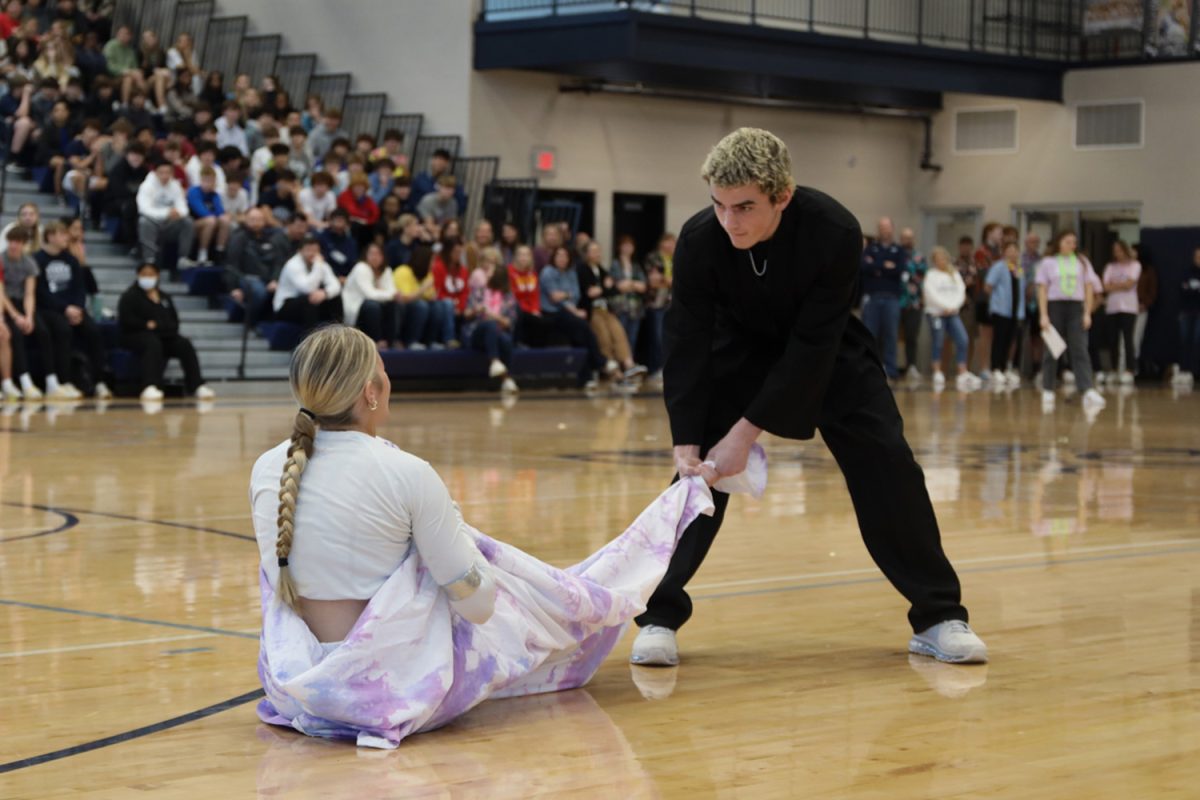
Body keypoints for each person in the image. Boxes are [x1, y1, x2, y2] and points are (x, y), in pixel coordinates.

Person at [252, 325, 724, 748]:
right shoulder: (406, 472)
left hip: (296, 685)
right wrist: (463, 539)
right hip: (389, 690)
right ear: (371, 393)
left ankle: (578, 593)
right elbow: (478, 607)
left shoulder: (267, 469)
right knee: (479, 573)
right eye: (385, 370)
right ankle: (591, 599)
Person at [629, 127, 986, 668]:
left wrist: (744, 435)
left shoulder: (835, 229)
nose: (731, 222)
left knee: (888, 463)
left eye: (745, 207)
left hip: (827, 351)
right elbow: (685, 341)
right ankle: (658, 617)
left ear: (783, 196)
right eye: (720, 206)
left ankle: (938, 615)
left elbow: (811, 346)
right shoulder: (701, 239)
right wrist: (688, 439)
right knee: (696, 478)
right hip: (737, 350)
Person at [35, 220, 110, 398]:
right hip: (50, 309)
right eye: (62, 234)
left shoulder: (71, 259)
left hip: (74, 308)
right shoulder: (38, 259)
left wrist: (77, 307)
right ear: (50, 236)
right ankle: (65, 381)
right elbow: (41, 292)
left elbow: (80, 287)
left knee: (93, 331)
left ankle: (99, 381)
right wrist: (65, 308)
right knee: (63, 330)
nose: (66, 237)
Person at [117, 262, 213, 401]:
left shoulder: (164, 297)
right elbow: (126, 321)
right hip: (135, 336)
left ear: (157, 276)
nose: (147, 278)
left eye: (151, 274)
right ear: (138, 275)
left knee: (184, 344)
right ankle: (150, 385)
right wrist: (146, 325)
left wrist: (157, 325)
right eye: (144, 274)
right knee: (152, 343)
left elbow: (173, 322)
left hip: (164, 335)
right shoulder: (130, 296)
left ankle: (196, 385)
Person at [1035, 231, 1105, 412]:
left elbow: (1089, 288)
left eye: (1074, 242)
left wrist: (1087, 312)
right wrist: (1043, 315)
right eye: (1068, 241)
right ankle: (1048, 388)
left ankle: (1087, 388)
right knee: (1052, 348)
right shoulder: (1048, 263)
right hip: (1055, 306)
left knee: (1079, 347)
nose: (1072, 245)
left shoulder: (1082, 262)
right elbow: (1042, 289)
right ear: (1059, 243)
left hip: (1076, 307)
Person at [539, 244, 608, 389]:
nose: (562, 259)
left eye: (565, 256)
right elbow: (555, 298)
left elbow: (576, 295)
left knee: (580, 335)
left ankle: (586, 378)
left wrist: (567, 298)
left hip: (568, 312)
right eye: (559, 255)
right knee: (582, 326)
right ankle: (600, 362)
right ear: (554, 257)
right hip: (551, 313)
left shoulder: (571, 273)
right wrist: (572, 304)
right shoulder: (548, 272)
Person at [579, 240, 645, 382]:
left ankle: (629, 365)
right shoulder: (582, 269)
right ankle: (612, 370)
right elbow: (590, 293)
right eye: (593, 251)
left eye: (598, 251)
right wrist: (605, 288)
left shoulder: (601, 269)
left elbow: (611, 290)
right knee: (603, 336)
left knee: (618, 331)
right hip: (592, 310)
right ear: (586, 254)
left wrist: (604, 289)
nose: (597, 254)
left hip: (606, 309)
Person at [924, 246, 979, 392]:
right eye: (938, 259)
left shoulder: (953, 274)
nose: (942, 261)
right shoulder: (931, 275)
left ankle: (962, 371)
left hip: (953, 312)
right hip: (937, 313)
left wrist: (953, 306)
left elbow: (961, 292)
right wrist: (944, 307)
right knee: (939, 341)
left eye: (943, 258)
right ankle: (937, 371)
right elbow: (930, 294)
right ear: (934, 261)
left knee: (963, 339)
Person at [464, 246, 518, 392]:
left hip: (498, 333)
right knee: (489, 325)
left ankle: (507, 379)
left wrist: (493, 315)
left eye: (490, 271)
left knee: (505, 339)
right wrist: (477, 310)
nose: (486, 274)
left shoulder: (508, 297)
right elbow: (466, 313)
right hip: (477, 332)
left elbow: (509, 322)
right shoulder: (479, 291)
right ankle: (494, 361)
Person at [1, 228, 47, 400]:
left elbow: (29, 293)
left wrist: (28, 316)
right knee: (12, 334)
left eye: (18, 242)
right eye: (11, 241)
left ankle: (51, 380)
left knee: (42, 330)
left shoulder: (29, 263)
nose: (14, 245)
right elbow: (1, 293)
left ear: (24, 244)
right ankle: (21, 380)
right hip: (6, 304)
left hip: (20, 303)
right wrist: (13, 316)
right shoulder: (1, 260)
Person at [859, 217, 906, 380]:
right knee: (870, 334)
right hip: (872, 297)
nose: (884, 230)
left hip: (892, 298)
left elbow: (899, 269)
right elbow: (864, 266)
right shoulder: (871, 249)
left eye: (887, 227)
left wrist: (877, 266)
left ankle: (891, 369)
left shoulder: (899, 250)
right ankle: (869, 369)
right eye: (881, 227)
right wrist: (885, 265)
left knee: (891, 334)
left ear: (892, 228)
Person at [226, 208, 288, 327]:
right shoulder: (239, 238)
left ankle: (270, 325)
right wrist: (233, 288)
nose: (256, 223)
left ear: (264, 221)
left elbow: (278, 262)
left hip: (268, 279)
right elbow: (232, 264)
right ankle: (251, 322)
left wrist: (275, 279)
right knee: (259, 291)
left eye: (259, 219)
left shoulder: (271, 238)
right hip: (246, 277)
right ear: (246, 220)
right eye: (252, 219)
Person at [272, 234, 342, 331]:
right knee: (309, 299)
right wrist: (318, 265)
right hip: (285, 306)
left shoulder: (321, 264)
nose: (312, 254)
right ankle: (311, 340)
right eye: (309, 250)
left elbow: (336, 285)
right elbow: (307, 289)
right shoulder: (292, 265)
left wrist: (325, 293)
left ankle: (339, 333)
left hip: (309, 303)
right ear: (300, 251)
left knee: (335, 297)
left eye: (315, 250)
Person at [136, 159, 197, 269]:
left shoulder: (175, 186)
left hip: (170, 224)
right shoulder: (146, 186)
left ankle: (183, 258)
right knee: (144, 221)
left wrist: (178, 213)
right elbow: (144, 209)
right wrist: (167, 213)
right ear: (155, 173)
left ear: (172, 173)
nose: (165, 176)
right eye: (161, 172)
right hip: (153, 222)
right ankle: (150, 260)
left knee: (187, 222)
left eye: (168, 172)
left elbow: (183, 207)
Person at [983, 242, 1026, 389]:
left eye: (1015, 250)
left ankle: (1005, 368)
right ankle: (995, 368)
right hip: (1001, 310)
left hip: (1015, 311)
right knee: (999, 340)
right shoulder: (999, 267)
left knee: (1011, 340)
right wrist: (997, 301)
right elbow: (988, 286)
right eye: (1010, 250)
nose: (1013, 254)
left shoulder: (1019, 269)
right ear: (1004, 252)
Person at [342, 242, 400, 349]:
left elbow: (392, 292)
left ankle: (390, 342)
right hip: (356, 307)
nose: (375, 257)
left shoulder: (386, 270)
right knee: (372, 306)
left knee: (392, 304)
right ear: (366, 255)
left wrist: (388, 294)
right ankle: (375, 341)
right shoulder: (361, 268)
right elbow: (370, 294)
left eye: (378, 254)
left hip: (374, 305)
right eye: (372, 254)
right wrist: (388, 293)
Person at [1102, 240, 1141, 386]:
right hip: (1112, 307)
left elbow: (1130, 284)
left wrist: (1114, 285)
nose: (1117, 253)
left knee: (1127, 338)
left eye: (1120, 250)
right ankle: (1113, 369)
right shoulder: (1110, 267)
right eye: (1115, 250)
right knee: (1112, 339)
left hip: (1129, 307)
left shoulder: (1135, 265)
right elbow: (1105, 287)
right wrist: (1120, 285)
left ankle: (1130, 369)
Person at [609, 234, 646, 357]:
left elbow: (643, 287)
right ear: (620, 247)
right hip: (620, 307)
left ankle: (630, 366)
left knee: (632, 338)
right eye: (625, 245)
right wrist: (634, 284)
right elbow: (619, 286)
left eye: (630, 246)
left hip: (635, 307)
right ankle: (621, 364)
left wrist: (629, 283)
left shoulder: (636, 266)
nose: (627, 248)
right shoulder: (615, 264)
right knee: (620, 337)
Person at [898, 227, 926, 381]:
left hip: (914, 303)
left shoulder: (919, 257)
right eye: (904, 237)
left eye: (910, 238)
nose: (907, 240)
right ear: (900, 239)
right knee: (889, 336)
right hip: (896, 302)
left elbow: (922, 278)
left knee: (911, 336)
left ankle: (912, 366)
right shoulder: (895, 254)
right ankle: (888, 365)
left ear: (913, 239)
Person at [186, 165, 231, 264]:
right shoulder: (194, 191)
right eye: (206, 180)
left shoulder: (214, 195)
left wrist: (214, 196)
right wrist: (215, 215)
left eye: (211, 180)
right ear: (201, 179)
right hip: (193, 224)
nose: (208, 183)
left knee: (225, 220)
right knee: (210, 220)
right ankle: (202, 253)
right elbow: (201, 212)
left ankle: (219, 252)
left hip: (210, 221)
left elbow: (220, 212)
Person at [1174, 247, 1200, 387]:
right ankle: (1184, 370)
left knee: (1196, 341)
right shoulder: (1187, 272)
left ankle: (1194, 371)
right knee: (1184, 341)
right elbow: (1183, 289)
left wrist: (1192, 290)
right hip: (1186, 312)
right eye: (1197, 256)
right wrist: (1193, 290)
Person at [337, 173, 380, 251]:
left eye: (361, 186)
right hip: (348, 224)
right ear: (351, 187)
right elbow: (352, 212)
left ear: (365, 188)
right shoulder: (345, 195)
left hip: (363, 225)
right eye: (356, 186)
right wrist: (365, 217)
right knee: (356, 227)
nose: (359, 188)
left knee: (375, 227)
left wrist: (365, 221)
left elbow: (375, 214)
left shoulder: (367, 199)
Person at [317, 208, 358, 279]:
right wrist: (336, 276)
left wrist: (347, 278)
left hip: (346, 277)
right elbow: (322, 260)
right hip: (326, 276)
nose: (339, 223)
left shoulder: (351, 242)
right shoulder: (322, 238)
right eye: (336, 220)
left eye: (341, 220)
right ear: (330, 221)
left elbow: (352, 262)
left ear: (347, 223)